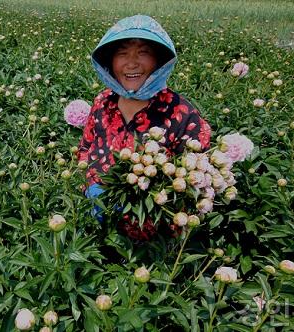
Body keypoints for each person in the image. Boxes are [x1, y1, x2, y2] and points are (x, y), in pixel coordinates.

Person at [77, 15, 212, 241]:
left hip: (149, 245)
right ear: (109, 62)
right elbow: (85, 147)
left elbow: (200, 183)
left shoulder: (181, 113)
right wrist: (88, 186)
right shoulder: (102, 103)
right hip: (94, 229)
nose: (132, 63)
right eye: (122, 53)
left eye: (143, 52)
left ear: (159, 61)